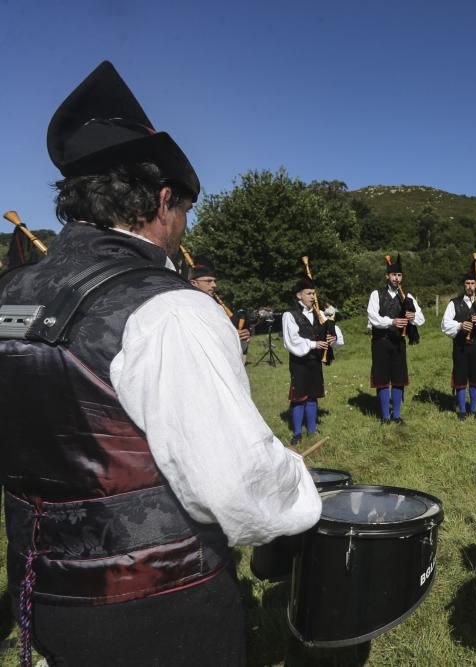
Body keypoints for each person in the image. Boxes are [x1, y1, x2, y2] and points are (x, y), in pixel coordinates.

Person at [0, 61, 321, 666]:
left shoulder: (10, 293)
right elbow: (234, 486)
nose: (182, 230)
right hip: (156, 604)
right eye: (185, 214)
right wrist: (302, 497)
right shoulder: (167, 308)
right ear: (165, 199)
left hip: (40, 589)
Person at [282, 278, 343, 445]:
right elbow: (291, 341)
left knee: (312, 396)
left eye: (314, 293)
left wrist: (332, 339)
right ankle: (296, 433)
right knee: (299, 396)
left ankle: (312, 429)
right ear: (298, 295)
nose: (312, 296)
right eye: (308, 293)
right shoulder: (290, 315)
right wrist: (313, 344)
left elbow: (334, 334)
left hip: (315, 361)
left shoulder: (319, 314)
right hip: (300, 361)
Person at [367, 254, 425, 423]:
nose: (396, 278)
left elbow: (421, 319)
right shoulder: (376, 294)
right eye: (393, 275)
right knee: (383, 379)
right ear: (387, 276)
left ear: (402, 277)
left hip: (399, 342)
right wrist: (391, 321)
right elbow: (373, 317)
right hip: (380, 342)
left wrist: (412, 315)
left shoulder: (407, 297)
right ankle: (385, 416)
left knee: (398, 378)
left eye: (399, 275)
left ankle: (397, 415)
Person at [441, 268, 476, 420]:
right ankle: (461, 411)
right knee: (460, 377)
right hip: (460, 345)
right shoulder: (454, 303)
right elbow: (445, 324)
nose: (470, 286)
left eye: (473, 283)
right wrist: (459, 326)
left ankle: (473, 410)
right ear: (463, 285)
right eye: (467, 283)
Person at [188, 257, 252, 359]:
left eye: (214, 281)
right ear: (194, 283)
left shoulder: (217, 307)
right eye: (208, 281)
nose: (214, 285)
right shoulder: (187, 308)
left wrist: (242, 338)